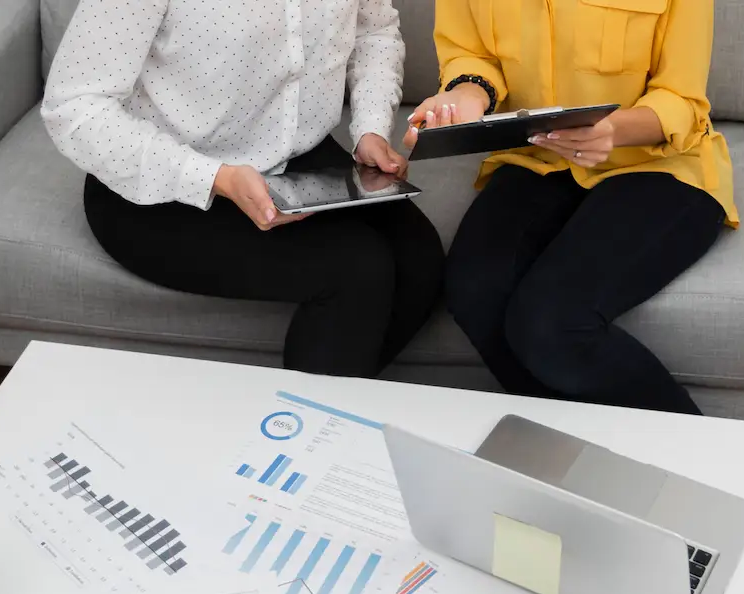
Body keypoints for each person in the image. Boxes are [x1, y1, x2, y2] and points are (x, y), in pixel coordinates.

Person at [44, 0, 444, 379]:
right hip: (162, 180)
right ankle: (289, 437)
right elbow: (75, 107)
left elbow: (374, 31)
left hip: (295, 156)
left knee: (420, 260)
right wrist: (215, 177)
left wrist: (371, 126)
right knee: (359, 268)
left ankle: (315, 420)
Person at [405, 0, 736, 414]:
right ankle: (569, 453)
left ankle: (693, 459)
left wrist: (611, 130)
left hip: (658, 163)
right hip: (538, 158)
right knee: (475, 292)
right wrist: (466, 99)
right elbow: (473, 57)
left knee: (551, 324)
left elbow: (682, 100)